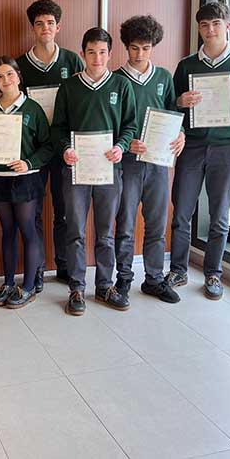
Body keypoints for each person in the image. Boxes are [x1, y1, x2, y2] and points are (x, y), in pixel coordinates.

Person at [168, 1, 230, 300]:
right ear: (199, 29)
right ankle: (178, 270)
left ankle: (213, 273)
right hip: (192, 148)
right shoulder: (187, 65)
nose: (210, 30)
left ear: (227, 26)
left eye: (216, 24)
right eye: (205, 25)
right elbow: (170, 106)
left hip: (225, 149)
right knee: (181, 213)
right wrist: (180, 102)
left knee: (219, 216)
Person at [52, 27, 138, 316]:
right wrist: (65, 148)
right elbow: (58, 128)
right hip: (76, 169)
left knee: (105, 232)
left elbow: (130, 125)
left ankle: (104, 286)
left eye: (102, 52)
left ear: (110, 54)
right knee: (75, 230)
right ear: (82, 54)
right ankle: (76, 288)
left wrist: (121, 146)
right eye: (91, 52)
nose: (97, 58)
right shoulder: (69, 87)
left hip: (109, 170)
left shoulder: (121, 86)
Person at [113, 15, 185, 304]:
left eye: (145, 48)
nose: (140, 54)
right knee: (126, 224)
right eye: (134, 48)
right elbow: (110, 122)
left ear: (153, 46)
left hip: (157, 162)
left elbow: (173, 114)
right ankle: (123, 279)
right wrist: (126, 142)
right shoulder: (116, 79)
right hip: (128, 163)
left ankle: (154, 279)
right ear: (126, 47)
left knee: (156, 223)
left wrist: (181, 134)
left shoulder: (164, 77)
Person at [16, 0, 85, 291]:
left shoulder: (72, 61)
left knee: (64, 210)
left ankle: (64, 266)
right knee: (33, 212)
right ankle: (37, 269)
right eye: (39, 23)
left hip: (64, 149)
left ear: (58, 27)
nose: (45, 28)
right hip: (33, 150)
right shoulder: (20, 65)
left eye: (50, 23)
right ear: (32, 28)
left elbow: (82, 100)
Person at [0, 57, 53, 308]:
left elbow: (48, 146)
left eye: (9, 74)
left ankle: (28, 287)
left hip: (26, 180)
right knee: (7, 230)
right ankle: (8, 283)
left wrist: (29, 163)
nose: (5, 80)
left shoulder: (32, 108)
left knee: (28, 229)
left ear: (18, 76)